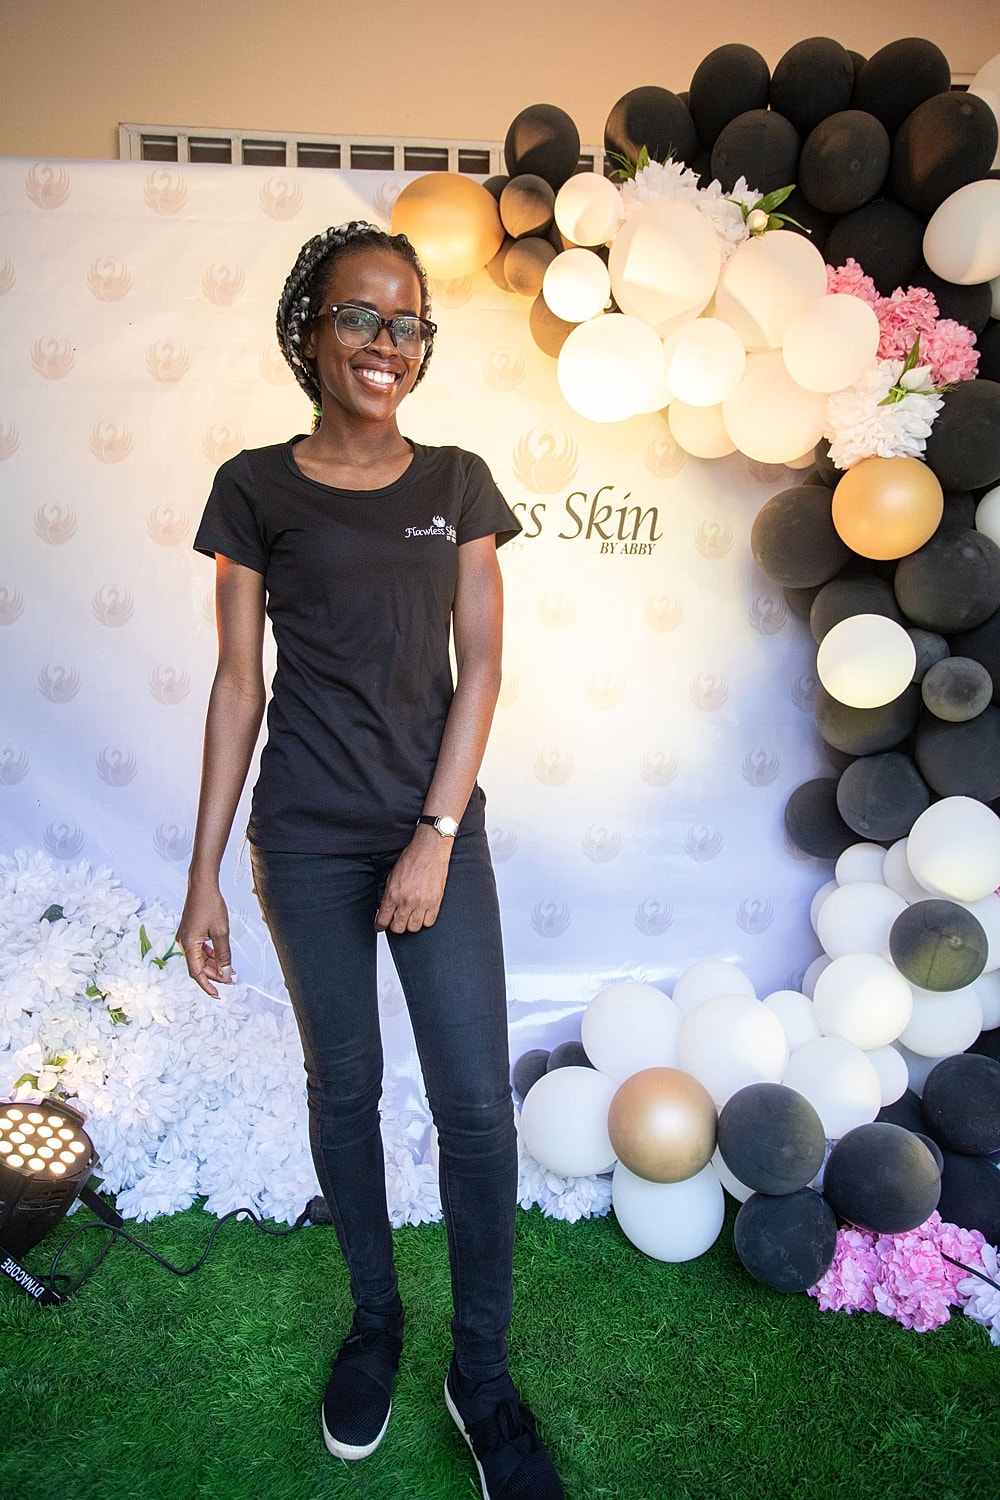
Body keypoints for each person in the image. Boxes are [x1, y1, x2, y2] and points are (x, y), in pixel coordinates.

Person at [177, 221, 563, 1500]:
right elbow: (239, 686)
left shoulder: (456, 481)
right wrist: (204, 877)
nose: (385, 344)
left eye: (407, 325)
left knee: (469, 1111)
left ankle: (484, 1376)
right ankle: (376, 1326)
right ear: (309, 329)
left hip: (434, 834)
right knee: (342, 1093)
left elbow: (486, 666)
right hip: (303, 839)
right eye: (360, 317)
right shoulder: (252, 487)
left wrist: (436, 837)